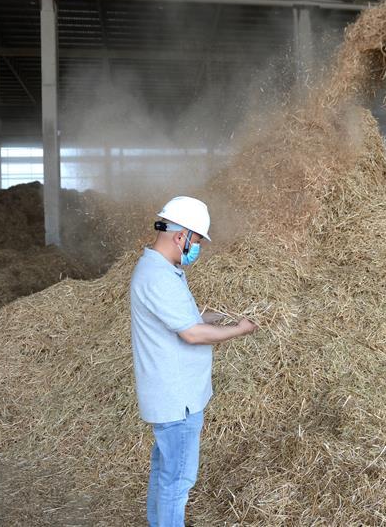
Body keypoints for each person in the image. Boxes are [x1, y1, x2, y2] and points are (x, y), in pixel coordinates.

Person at [130, 195, 258, 527]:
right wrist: (239, 330)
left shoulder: (164, 270)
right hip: (177, 402)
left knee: (164, 474)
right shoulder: (158, 276)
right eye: (197, 240)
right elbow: (191, 333)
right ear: (180, 236)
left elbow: (188, 318)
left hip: (175, 397)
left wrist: (221, 316)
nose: (197, 248)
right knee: (177, 484)